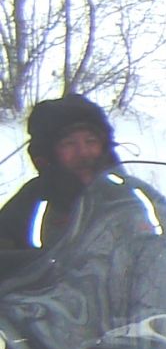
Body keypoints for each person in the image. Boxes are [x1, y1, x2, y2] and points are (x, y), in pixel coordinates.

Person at [1, 94, 121, 251]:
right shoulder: (32, 202)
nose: (83, 152)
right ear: (49, 153)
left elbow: (155, 255)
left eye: (91, 141)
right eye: (69, 143)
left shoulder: (126, 197)